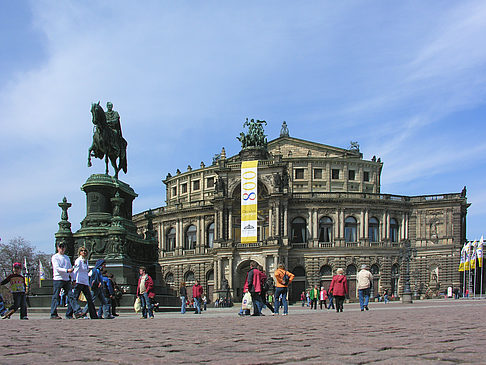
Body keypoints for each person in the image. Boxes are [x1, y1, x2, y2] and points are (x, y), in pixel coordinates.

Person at [50, 242, 79, 319]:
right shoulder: (55, 257)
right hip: (58, 279)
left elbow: (71, 269)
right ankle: (53, 314)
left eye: (63, 247)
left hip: (66, 279)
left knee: (71, 296)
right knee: (56, 296)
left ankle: (77, 311)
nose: (62, 248)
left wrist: (73, 278)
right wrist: (67, 271)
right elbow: (57, 268)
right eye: (60, 247)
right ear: (57, 248)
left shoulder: (66, 257)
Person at [68, 246, 97, 319]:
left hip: (85, 282)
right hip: (79, 281)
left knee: (89, 299)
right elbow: (75, 270)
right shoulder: (78, 260)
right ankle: (69, 314)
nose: (83, 252)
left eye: (85, 251)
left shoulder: (86, 261)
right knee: (75, 298)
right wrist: (74, 280)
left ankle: (93, 315)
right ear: (79, 252)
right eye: (82, 251)